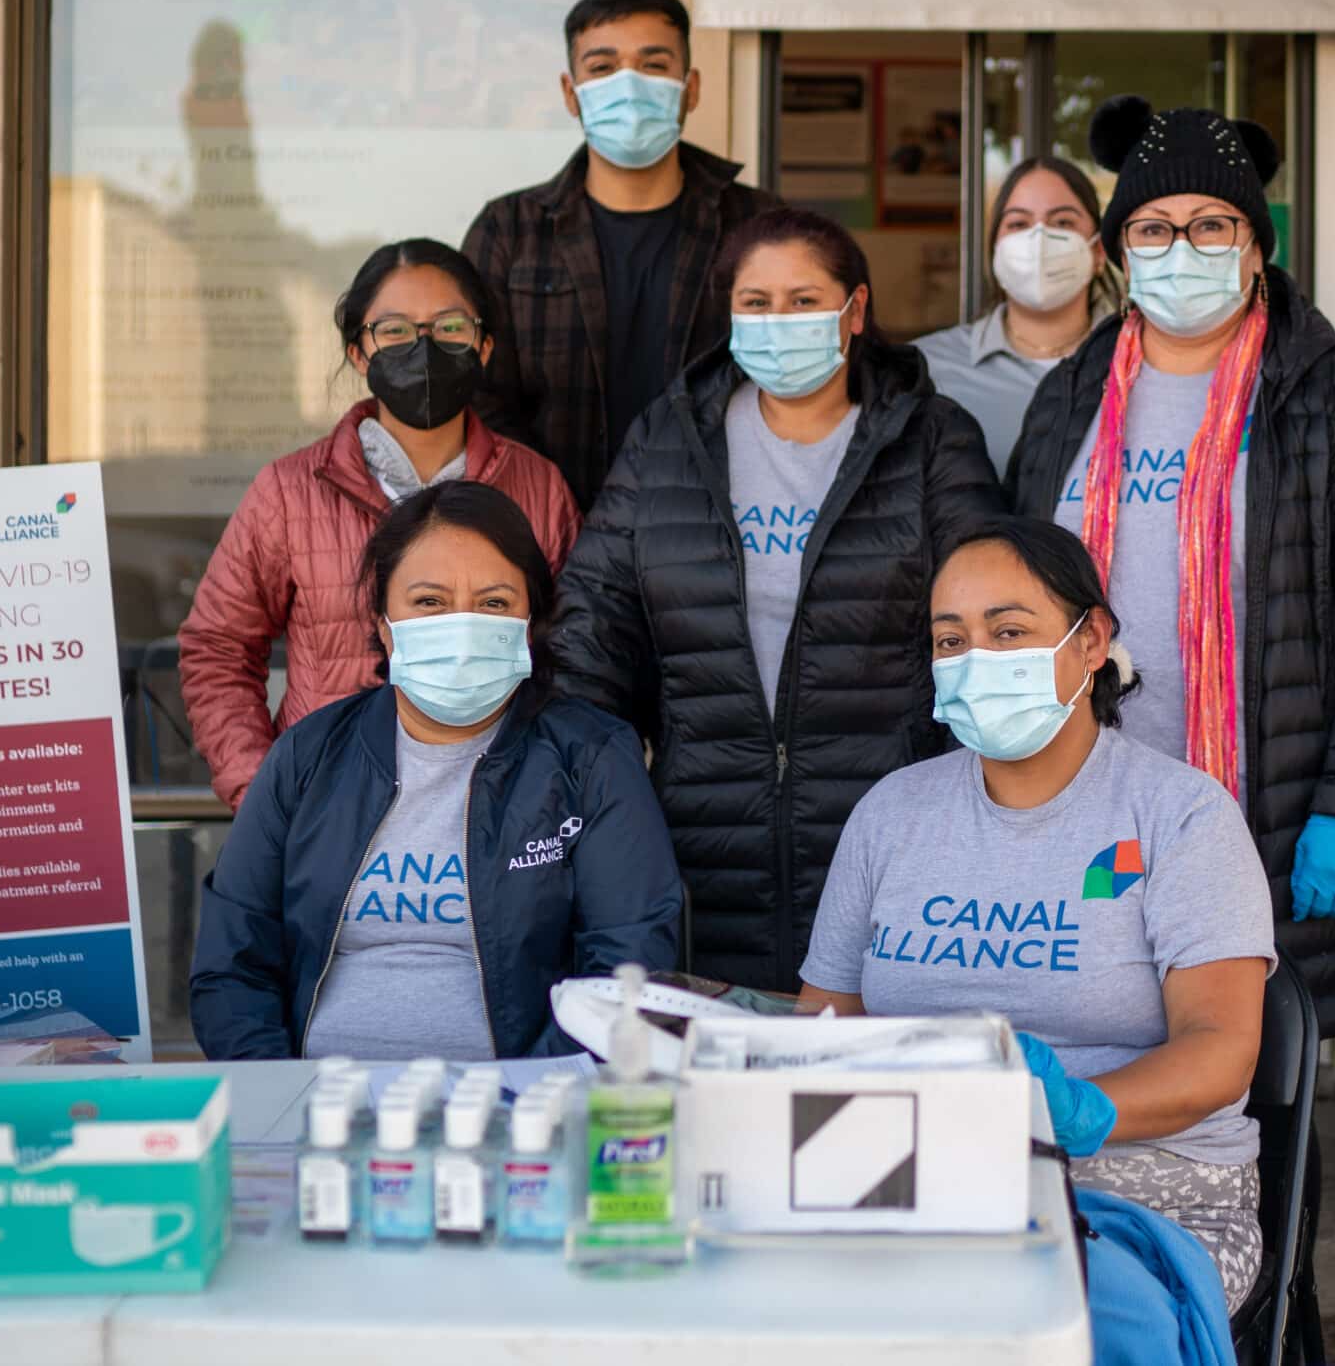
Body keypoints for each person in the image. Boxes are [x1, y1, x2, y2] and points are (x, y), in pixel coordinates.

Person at [1004, 96, 1335, 1039]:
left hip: (1261, 823)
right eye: (1155, 228)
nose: (1182, 248)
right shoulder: (1066, 400)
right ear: (1121, 252)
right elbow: (1017, 600)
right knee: (1101, 1069)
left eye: (1211, 225)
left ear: (1255, 247)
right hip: (1092, 819)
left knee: (1249, 1095)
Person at [799, 518, 1274, 1313]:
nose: (976, 658)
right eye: (951, 641)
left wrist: (1079, 1111)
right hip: (918, 1182)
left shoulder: (1181, 816)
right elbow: (821, 1026)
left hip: (1143, 1195)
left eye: (1009, 630)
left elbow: (1221, 1049)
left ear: (1091, 642)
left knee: (1035, 1315)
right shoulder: (892, 815)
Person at [549, 207, 1005, 991]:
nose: (778, 322)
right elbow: (592, 624)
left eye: (803, 300)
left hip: (889, 830)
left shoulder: (931, 439)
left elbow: (991, 619)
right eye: (756, 303)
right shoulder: (669, 438)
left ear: (854, 311)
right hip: (701, 835)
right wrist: (599, 794)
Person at [190, 481, 680, 1061]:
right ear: (382, 624)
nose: (462, 628)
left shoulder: (592, 758)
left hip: (518, 1119)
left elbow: (627, 974)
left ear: (530, 623)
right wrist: (280, 1094)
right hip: (316, 1108)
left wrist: (522, 1105)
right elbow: (231, 969)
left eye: (494, 603)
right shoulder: (309, 755)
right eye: (429, 602)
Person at [179, 240, 579, 810]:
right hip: (329, 807)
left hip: (500, 809)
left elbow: (576, 651)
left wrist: (550, 789)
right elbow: (217, 648)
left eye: (450, 327)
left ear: (484, 346)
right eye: (394, 330)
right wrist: (261, 792)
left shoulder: (539, 488)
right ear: (359, 353)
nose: (423, 347)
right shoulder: (290, 491)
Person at [461, 0, 781, 509]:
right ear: (571, 92)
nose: (629, 86)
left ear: (691, 87)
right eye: (603, 68)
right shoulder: (508, 232)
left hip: (722, 536)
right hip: (553, 540)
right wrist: (543, 508)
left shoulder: (761, 226)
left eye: (654, 65)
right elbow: (477, 396)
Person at [915, 157, 1119, 470]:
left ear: (1098, 252)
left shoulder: (1143, 363)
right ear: (996, 250)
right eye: (1018, 224)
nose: (1039, 241)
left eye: (1063, 222)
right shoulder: (925, 369)